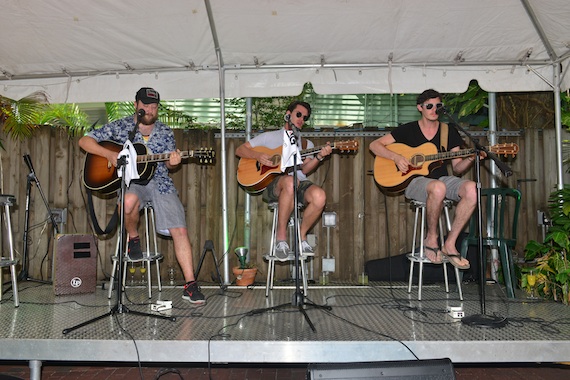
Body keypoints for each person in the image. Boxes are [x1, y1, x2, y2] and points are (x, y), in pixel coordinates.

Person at [79, 87, 205, 304]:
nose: (149, 109)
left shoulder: (165, 132)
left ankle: (190, 284)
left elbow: (169, 164)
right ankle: (133, 238)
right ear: (136, 105)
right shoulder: (121, 126)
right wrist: (109, 153)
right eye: (145, 105)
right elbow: (84, 141)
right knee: (127, 201)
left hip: (160, 182)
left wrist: (172, 162)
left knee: (180, 228)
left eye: (154, 106)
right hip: (132, 182)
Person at [369, 89, 478, 269]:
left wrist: (470, 158)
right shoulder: (408, 129)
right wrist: (396, 158)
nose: (434, 109)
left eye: (438, 106)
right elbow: (375, 145)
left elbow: (457, 167)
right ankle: (431, 237)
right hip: (414, 182)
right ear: (420, 107)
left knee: (472, 189)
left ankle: (450, 243)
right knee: (437, 188)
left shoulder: (448, 131)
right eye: (429, 106)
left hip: (442, 178)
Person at [235, 100, 333, 260]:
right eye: (298, 114)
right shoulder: (269, 137)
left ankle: (300, 236)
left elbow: (305, 169)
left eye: (305, 117)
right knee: (289, 182)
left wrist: (319, 157)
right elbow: (240, 150)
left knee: (319, 196)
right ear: (287, 115)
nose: (301, 119)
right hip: (275, 184)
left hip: (299, 181)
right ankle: (281, 239)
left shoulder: (305, 143)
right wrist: (258, 155)